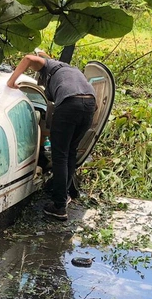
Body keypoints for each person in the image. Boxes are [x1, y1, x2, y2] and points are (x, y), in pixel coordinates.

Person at [6, 49, 96, 220]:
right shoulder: (71, 70)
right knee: (70, 152)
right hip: (90, 104)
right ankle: (65, 194)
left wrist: (11, 82)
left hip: (70, 102)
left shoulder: (48, 65)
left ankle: (59, 206)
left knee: (60, 155)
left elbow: (28, 58)